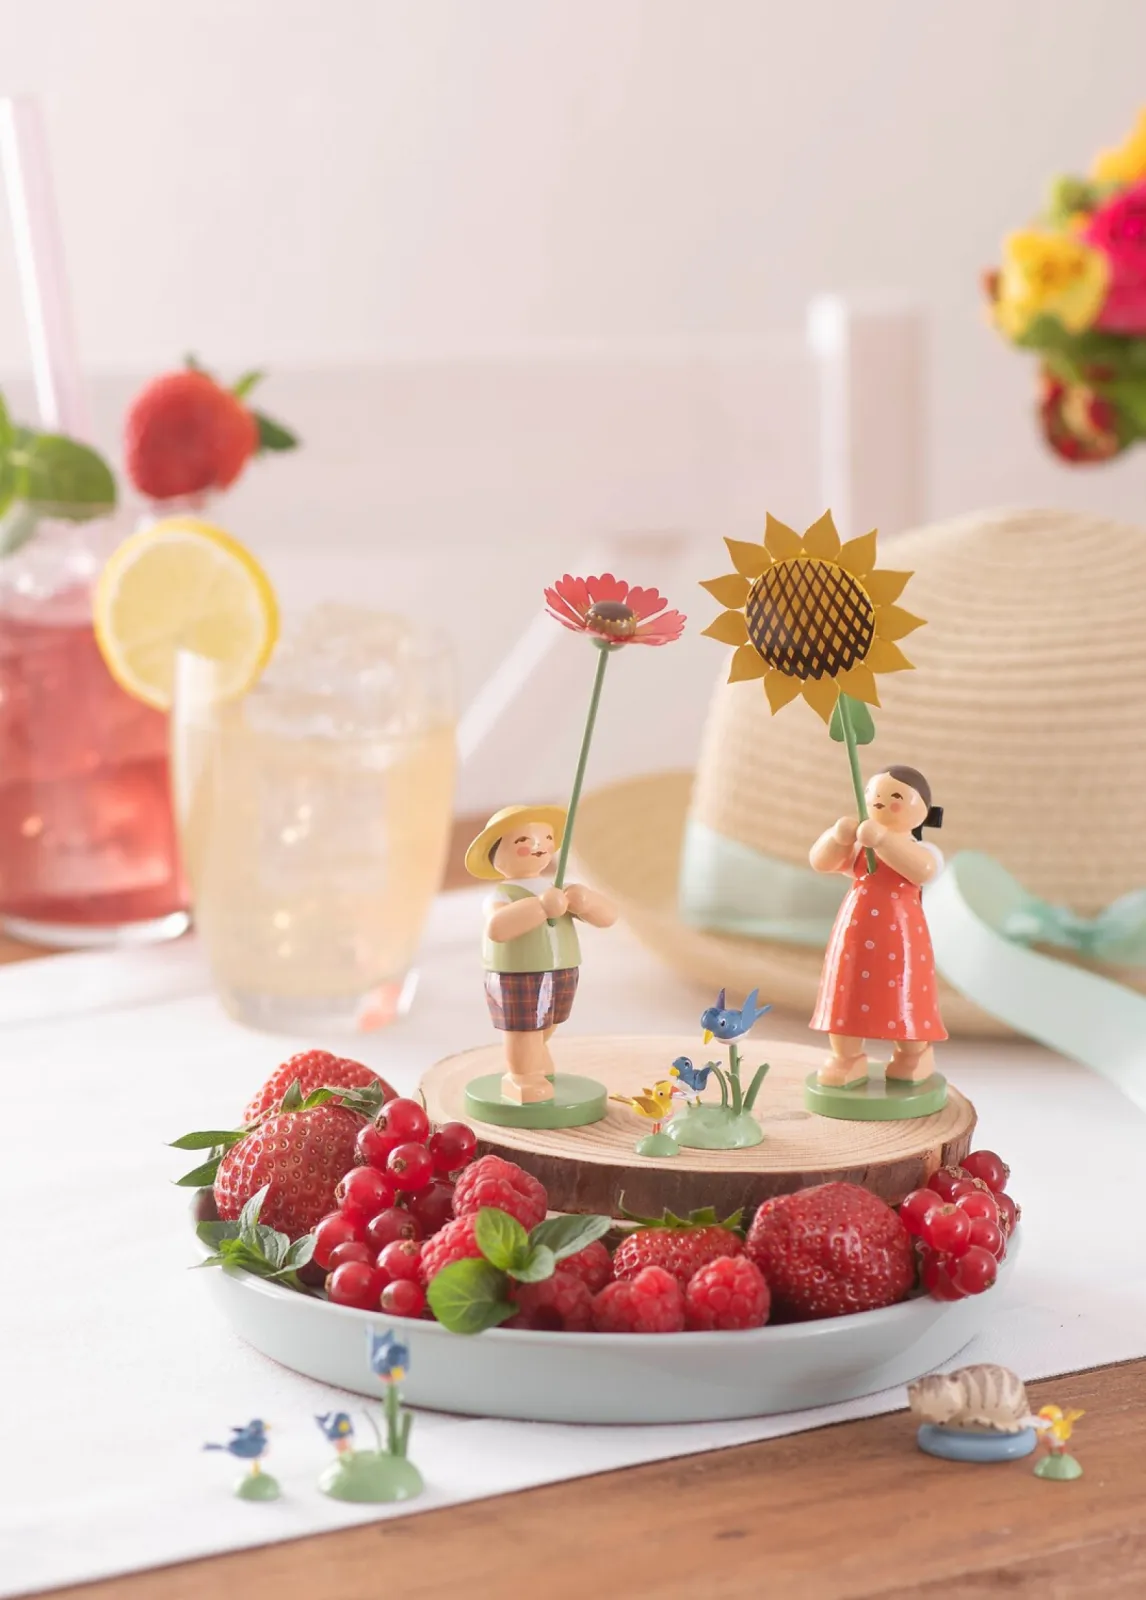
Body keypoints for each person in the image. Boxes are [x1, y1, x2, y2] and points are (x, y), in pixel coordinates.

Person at [464, 804, 617, 1103]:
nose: (539, 846)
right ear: (498, 854)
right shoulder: (502, 895)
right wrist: (541, 908)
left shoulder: (557, 887)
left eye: (546, 838)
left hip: (561, 967)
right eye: (524, 841)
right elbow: (498, 928)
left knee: (548, 1022)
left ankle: (535, 1060)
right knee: (523, 1029)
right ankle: (520, 1077)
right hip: (517, 972)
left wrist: (585, 902)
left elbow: (609, 917)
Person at [808, 765, 947, 1086]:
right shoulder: (860, 842)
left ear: (922, 811)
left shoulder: (922, 849)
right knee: (848, 991)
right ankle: (846, 1057)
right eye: (875, 796)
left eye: (895, 796)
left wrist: (884, 840)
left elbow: (923, 871)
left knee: (903, 992)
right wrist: (838, 837)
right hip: (855, 933)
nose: (883, 803)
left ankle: (914, 1055)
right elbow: (821, 861)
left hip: (901, 938)